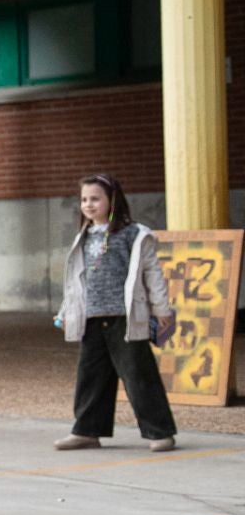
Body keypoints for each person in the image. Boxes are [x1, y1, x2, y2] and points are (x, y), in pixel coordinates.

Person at [56, 173, 177, 453]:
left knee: (138, 375)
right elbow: (76, 281)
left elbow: (152, 274)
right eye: (84, 199)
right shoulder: (83, 237)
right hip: (93, 318)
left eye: (95, 198)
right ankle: (87, 431)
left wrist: (161, 310)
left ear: (113, 200)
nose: (88, 204)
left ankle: (160, 432)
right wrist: (66, 312)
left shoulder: (134, 234)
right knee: (91, 376)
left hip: (125, 318)